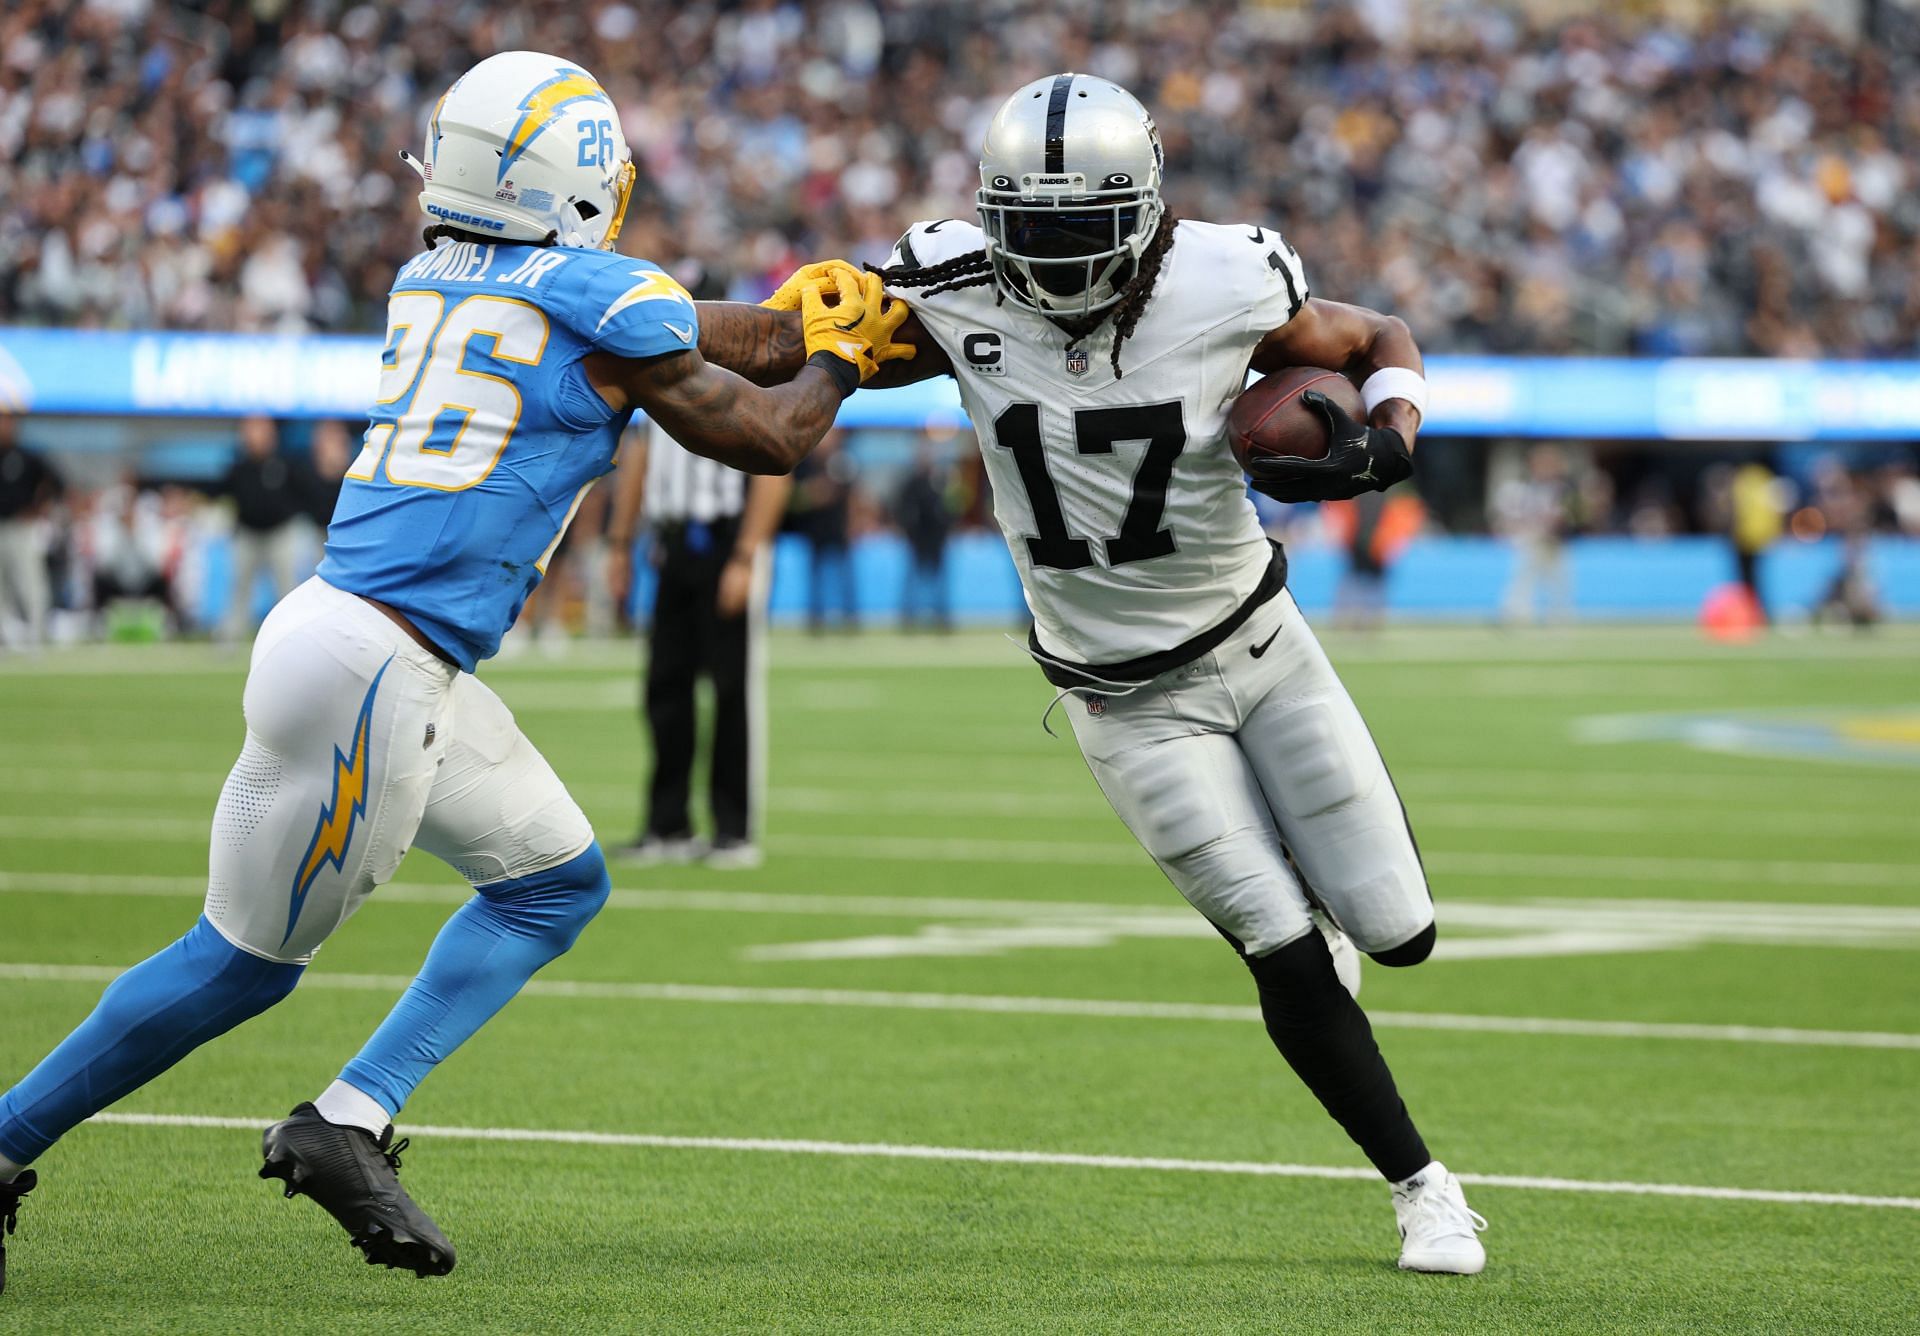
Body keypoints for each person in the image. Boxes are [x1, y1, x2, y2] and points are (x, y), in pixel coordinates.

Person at [0, 48, 910, 1295]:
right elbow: (765, 431)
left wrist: (805, 314)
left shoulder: (432, 274)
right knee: (237, 966)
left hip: (357, 642)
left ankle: (352, 1117)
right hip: (383, 667)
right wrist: (843, 359)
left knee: (553, 883)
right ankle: (2, 1145)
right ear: (579, 183)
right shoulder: (600, 297)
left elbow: (690, 330)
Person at [845, 74, 1485, 1273]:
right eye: (1027, 228)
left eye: (1080, 227)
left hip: (1264, 652)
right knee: (1277, 943)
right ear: (990, 217)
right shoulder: (943, 281)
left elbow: (1375, 339)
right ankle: (1423, 1185)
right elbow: (794, 346)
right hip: (1122, 699)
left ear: (1143, 209)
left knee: (1399, 937)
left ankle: (1335, 914)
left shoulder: (1227, 274)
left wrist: (1390, 435)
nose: (1051, 256)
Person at [606, 420, 790, 868]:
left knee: (732, 690)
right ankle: (667, 826)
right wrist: (619, 543)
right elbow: (640, 456)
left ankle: (733, 830)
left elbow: (777, 464)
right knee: (664, 687)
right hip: (670, 543)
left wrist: (747, 555)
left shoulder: (749, 374)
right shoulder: (657, 367)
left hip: (727, 540)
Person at [219, 415, 312, 641]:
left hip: (280, 534)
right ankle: (229, 639)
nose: (255, 436)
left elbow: (304, 495)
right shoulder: (238, 467)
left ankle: (294, 637)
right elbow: (225, 496)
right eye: (250, 430)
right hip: (248, 534)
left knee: (287, 589)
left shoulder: (285, 464)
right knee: (239, 589)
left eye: (261, 430)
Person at [0, 414, 61, 649]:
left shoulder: (27, 457)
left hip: (21, 527)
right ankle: (6, 637)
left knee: (30, 581)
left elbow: (57, 482)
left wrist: (38, 508)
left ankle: (37, 635)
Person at [894, 439, 954, 630]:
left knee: (937, 581)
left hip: (936, 539)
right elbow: (902, 509)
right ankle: (909, 617)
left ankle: (940, 616)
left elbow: (951, 508)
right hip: (918, 538)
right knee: (914, 580)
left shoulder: (942, 482)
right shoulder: (912, 483)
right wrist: (909, 528)